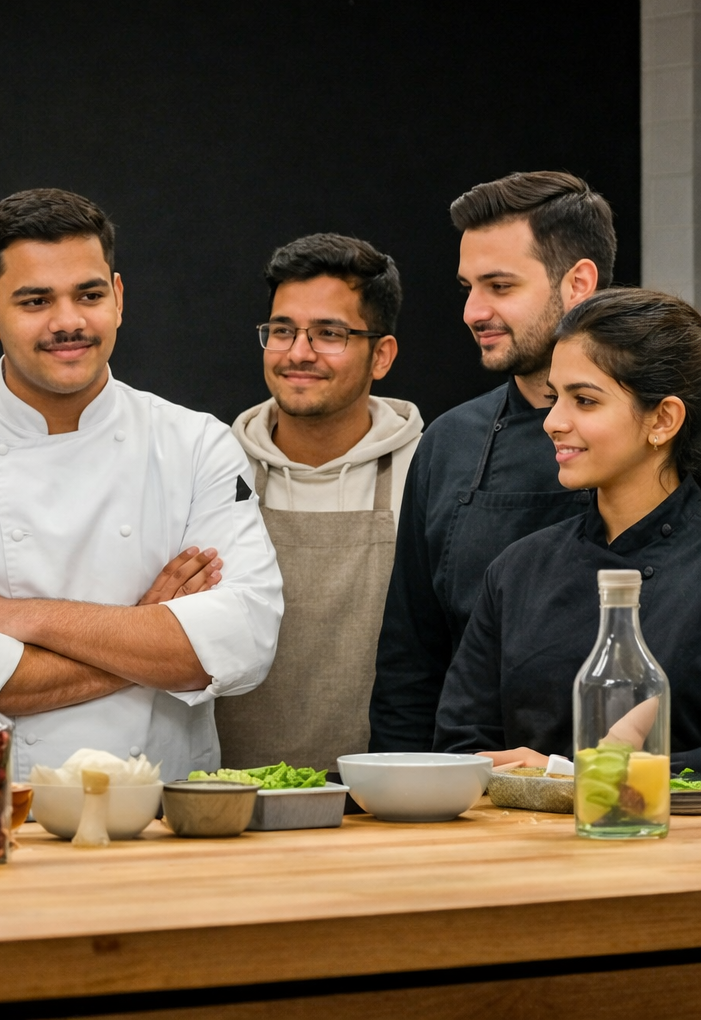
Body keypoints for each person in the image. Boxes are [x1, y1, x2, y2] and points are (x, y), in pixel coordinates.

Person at [0, 188, 283, 782]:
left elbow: (245, 642)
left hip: (162, 818)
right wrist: (151, 629)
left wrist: (28, 617)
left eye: (89, 295)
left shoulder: (196, 443)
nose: (67, 321)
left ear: (118, 299)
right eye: (35, 300)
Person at [369, 171, 616, 752]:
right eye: (468, 288)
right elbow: (411, 660)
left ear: (578, 281)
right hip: (477, 802)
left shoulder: (679, 443)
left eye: (500, 286)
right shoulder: (450, 442)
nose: (472, 312)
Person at [434, 288, 701, 771]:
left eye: (585, 400)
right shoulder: (517, 571)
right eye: (555, 398)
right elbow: (459, 744)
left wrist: (574, 775)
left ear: (663, 419)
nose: (554, 422)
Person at [215, 233, 422, 772]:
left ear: (382, 355)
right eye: (282, 331)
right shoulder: (212, 468)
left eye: (329, 333)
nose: (298, 353)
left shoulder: (427, 472)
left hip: (379, 799)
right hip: (222, 795)